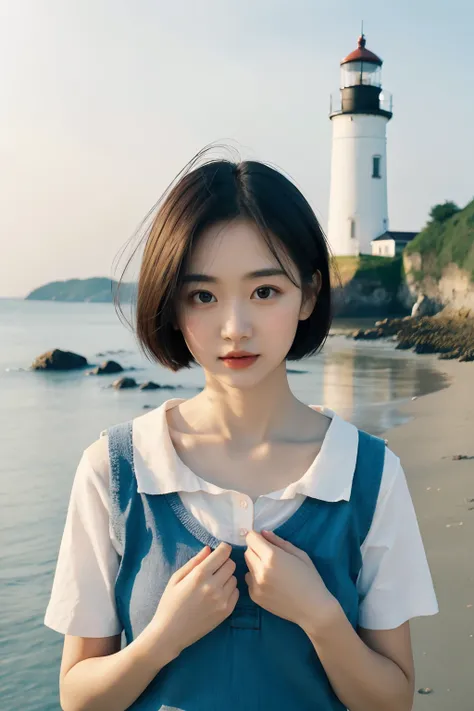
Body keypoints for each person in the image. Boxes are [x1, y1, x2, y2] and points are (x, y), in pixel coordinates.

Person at [44, 149, 439, 711]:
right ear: (173, 305)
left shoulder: (368, 474)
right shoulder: (115, 470)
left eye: (264, 291)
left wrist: (320, 617)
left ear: (307, 294)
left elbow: (393, 701)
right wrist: (161, 640)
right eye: (203, 296)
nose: (235, 328)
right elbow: (77, 697)